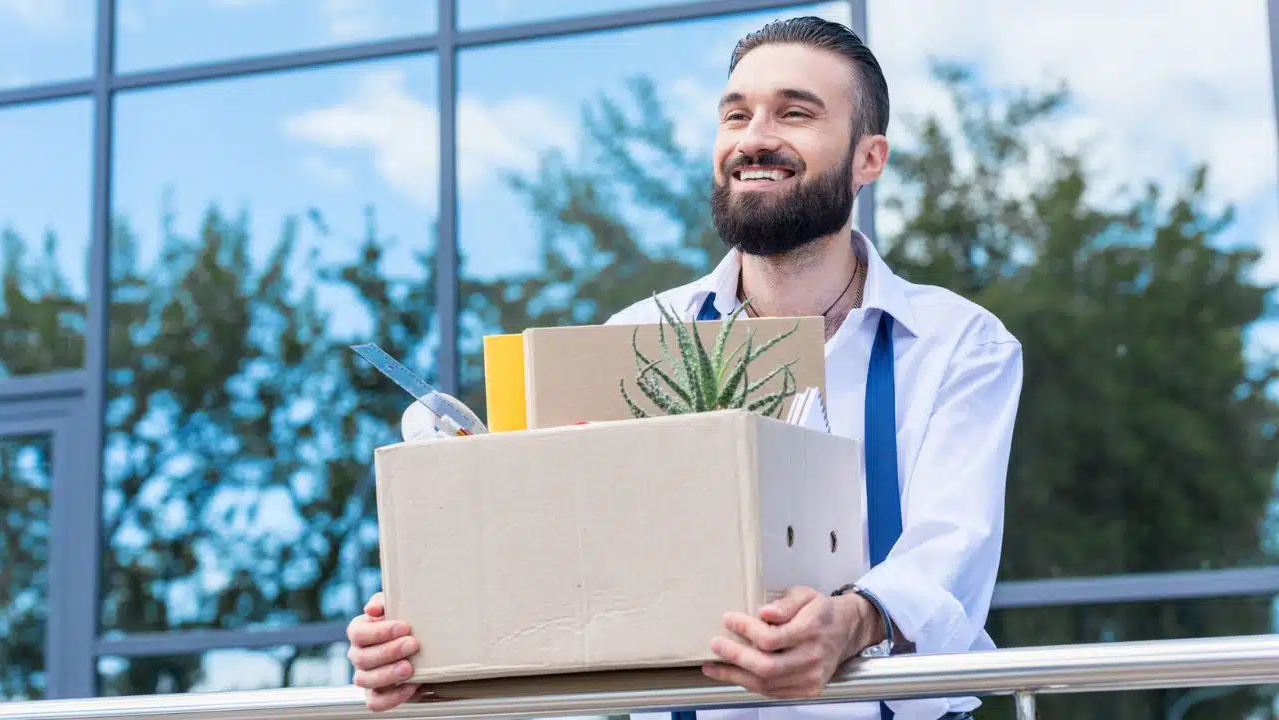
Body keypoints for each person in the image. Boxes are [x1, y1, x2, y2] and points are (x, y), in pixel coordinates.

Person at [345, 15, 1023, 720]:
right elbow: (561, 572)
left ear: (868, 159)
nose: (754, 138)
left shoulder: (958, 345)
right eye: (736, 115)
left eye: (795, 113)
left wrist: (854, 621)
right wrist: (426, 644)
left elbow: (952, 554)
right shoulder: (632, 336)